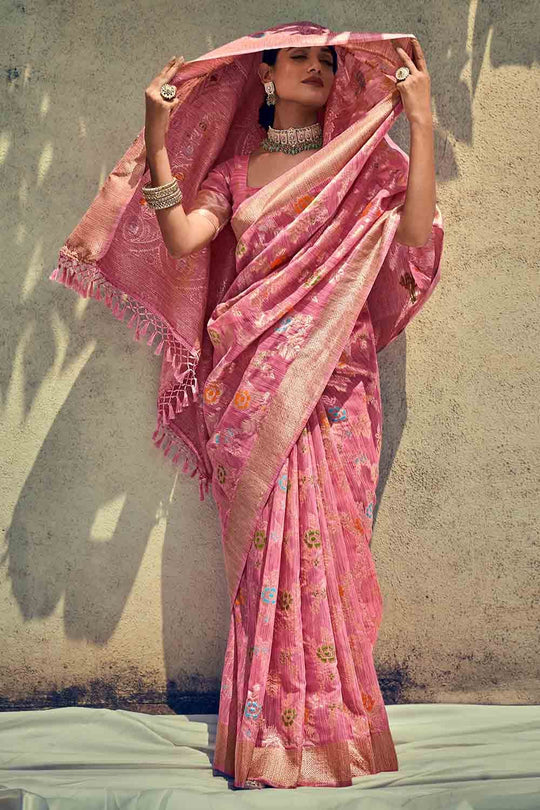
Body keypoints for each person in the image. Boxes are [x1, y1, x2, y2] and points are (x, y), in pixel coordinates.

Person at [50, 21, 444, 789]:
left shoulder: (359, 168)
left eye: (326, 59)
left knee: (332, 551)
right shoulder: (235, 173)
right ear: (264, 75)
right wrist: (157, 138)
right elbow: (183, 239)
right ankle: (265, 733)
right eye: (299, 56)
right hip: (253, 385)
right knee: (270, 562)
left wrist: (421, 122)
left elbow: (419, 236)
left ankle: (338, 733)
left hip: (334, 385)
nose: (317, 68)